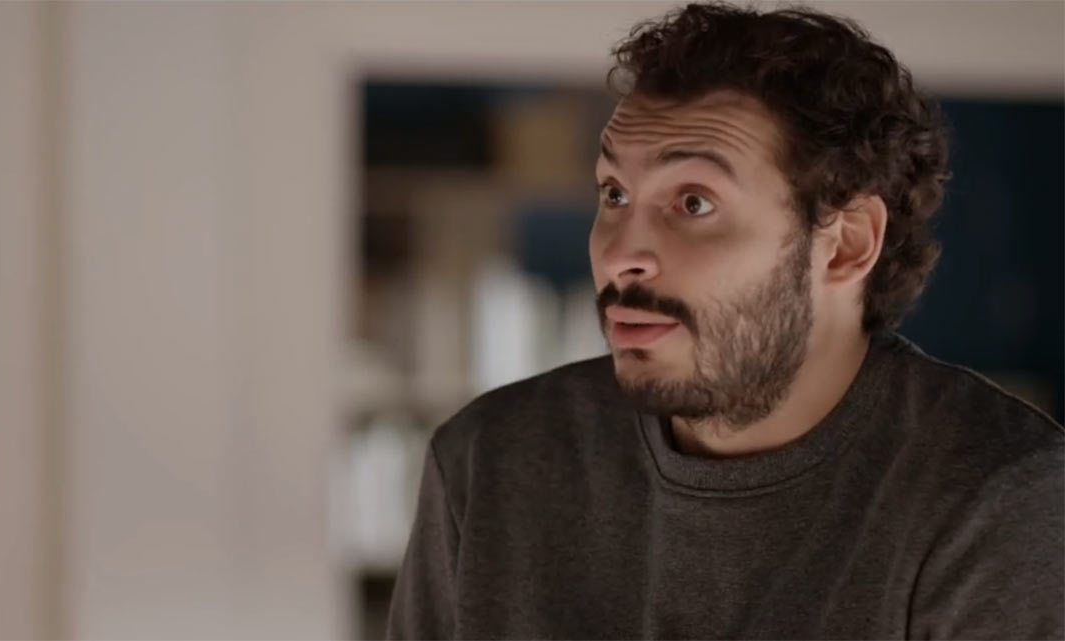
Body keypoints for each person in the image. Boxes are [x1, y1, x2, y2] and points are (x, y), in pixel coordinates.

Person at [386, 3, 1064, 639]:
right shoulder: (487, 462)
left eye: (693, 202)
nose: (619, 254)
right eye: (614, 194)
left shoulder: (1001, 499)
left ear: (846, 243)